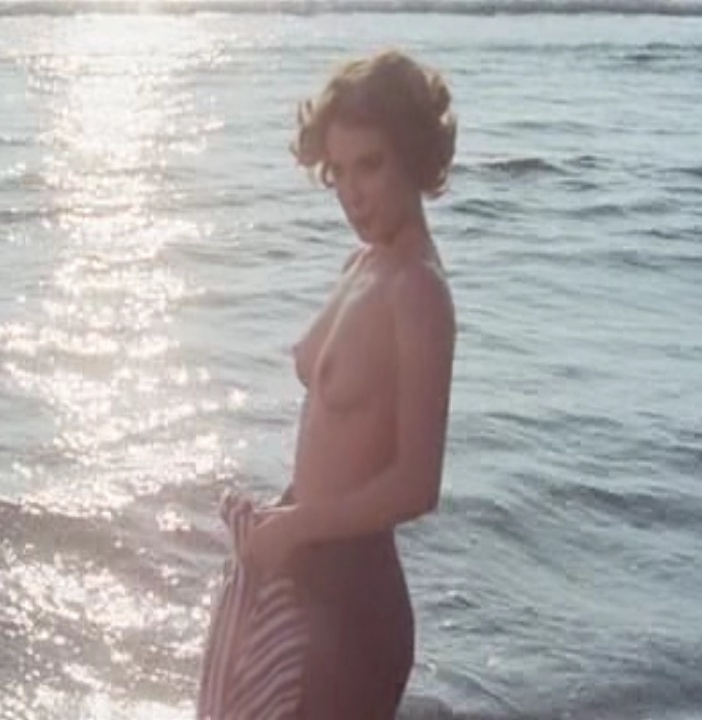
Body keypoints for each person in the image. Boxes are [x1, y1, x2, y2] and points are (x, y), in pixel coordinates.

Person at [241, 48, 458, 719]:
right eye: (339, 171)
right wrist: (282, 524)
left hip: (357, 608)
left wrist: (295, 527)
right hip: (309, 580)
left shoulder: (418, 291)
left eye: (372, 165)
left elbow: (417, 484)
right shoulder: (361, 265)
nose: (353, 193)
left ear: (414, 158)